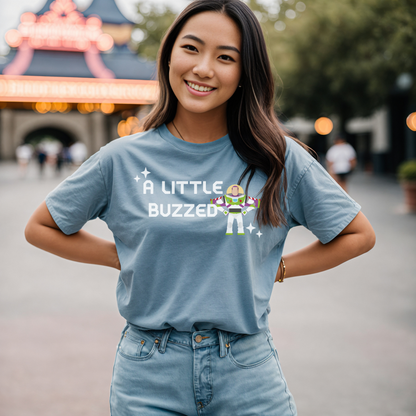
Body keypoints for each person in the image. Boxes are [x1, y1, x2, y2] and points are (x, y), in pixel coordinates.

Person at [25, 1, 376, 415]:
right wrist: (120, 256)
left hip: (247, 370)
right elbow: (41, 227)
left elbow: (358, 235)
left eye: (225, 57)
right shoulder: (121, 159)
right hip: (147, 373)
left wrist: (279, 267)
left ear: (246, 73)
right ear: (170, 54)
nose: (204, 68)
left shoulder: (278, 159)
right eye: (191, 48)